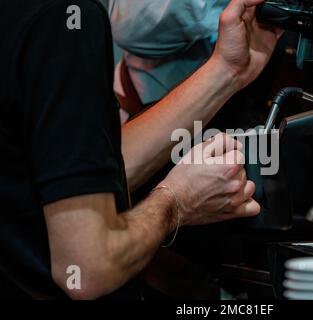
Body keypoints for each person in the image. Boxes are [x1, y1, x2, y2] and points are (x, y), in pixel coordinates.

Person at [0, 0, 282, 299]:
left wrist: (228, 70)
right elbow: (87, 270)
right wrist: (177, 201)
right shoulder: (65, 16)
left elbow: (78, 171)